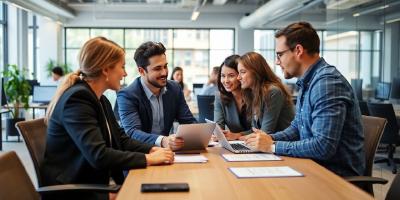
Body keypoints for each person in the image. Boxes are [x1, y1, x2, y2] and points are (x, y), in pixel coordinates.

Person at [42, 37, 174, 200]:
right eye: (122, 67)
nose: (125, 73)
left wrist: (151, 149)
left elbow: (121, 139)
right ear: (106, 70)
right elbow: (98, 155)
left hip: (93, 182)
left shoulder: (99, 99)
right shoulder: (77, 100)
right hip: (74, 190)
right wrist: (148, 158)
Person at [244, 22, 365, 177]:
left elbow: (323, 146)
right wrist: (266, 139)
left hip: (336, 179)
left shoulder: (326, 83)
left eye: (279, 54)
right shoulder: (308, 81)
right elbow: (296, 128)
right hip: (312, 167)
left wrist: (272, 146)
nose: (276, 61)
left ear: (298, 50)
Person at [117, 41, 197, 150]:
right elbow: (132, 132)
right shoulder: (128, 95)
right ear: (142, 71)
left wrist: (202, 134)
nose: (164, 72)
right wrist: (163, 140)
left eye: (165, 66)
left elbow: (188, 121)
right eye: (157, 68)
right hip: (140, 154)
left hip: (167, 153)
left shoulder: (174, 89)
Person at [237, 52, 295, 134]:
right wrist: (236, 135)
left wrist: (239, 137)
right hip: (268, 144)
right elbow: (256, 130)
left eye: (242, 72)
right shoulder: (254, 92)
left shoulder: (273, 92)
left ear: (256, 71)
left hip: (282, 144)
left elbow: (265, 132)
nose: (238, 77)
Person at [214, 55, 251, 140]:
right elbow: (218, 125)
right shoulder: (220, 97)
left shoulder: (254, 95)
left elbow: (260, 129)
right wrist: (217, 133)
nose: (226, 80)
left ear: (240, 76)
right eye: (223, 76)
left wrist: (237, 135)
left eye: (231, 75)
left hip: (258, 144)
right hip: (236, 145)